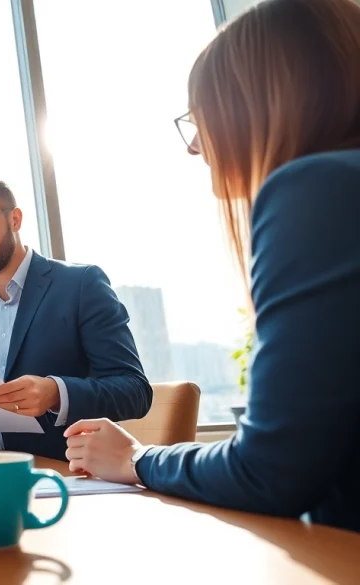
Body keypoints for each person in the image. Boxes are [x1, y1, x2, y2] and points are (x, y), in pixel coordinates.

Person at [63, 0, 360, 533]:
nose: (196, 146)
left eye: (201, 116)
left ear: (262, 104)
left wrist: (136, 459)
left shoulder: (315, 190)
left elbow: (272, 471)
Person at [0, 175, 152, 460]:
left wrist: (55, 393)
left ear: (15, 219)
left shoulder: (82, 284)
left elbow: (135, 391)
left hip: (61, 472)